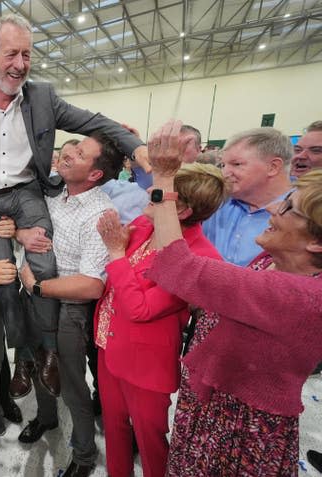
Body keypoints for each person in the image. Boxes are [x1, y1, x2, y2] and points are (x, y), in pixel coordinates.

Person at [0, 13, 148, 397]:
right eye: (11, 54)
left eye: (27, 55)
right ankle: (25, 356)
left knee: (43, 263)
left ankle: (48, 351)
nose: (20, 65)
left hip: (28, 192)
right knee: (2, 280)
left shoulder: (43, 97)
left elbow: (95, 121)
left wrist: (138, 148)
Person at [144, 120, 322, 476]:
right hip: (214, 401)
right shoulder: (274, 259)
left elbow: (178, 267)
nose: (275, 210)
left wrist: (163, 179)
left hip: (238, 426)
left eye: (289, 209)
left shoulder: (301, 296)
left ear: (316, 243)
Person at [94, 163, 224, 477]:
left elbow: (142, 309)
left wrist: (116, 252)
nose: (146, 198)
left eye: (156, 196)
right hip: (108, 343)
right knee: (114, 428)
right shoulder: (144, 224)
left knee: (150, 440)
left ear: (181, 211)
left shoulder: (200, 258)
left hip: (146, 362)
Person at [18, 132, 121, 477]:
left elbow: (92, 285)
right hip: (39, 295)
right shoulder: (55, 194)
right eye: (71, 146)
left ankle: (84, 454)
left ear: (94, 174)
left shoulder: (100, 212)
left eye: (79, 152)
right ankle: (46, 418)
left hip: (70, 307)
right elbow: (29, 232)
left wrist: (37, 286)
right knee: (39, 366)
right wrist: (22, 239)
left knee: (73, 384)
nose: (68, 152)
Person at [202, 127, 292, 266]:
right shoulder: (215, 201)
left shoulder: (304, 216)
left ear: (273, 167)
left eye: (236, 164)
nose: (224, 173)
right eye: (222, 165)